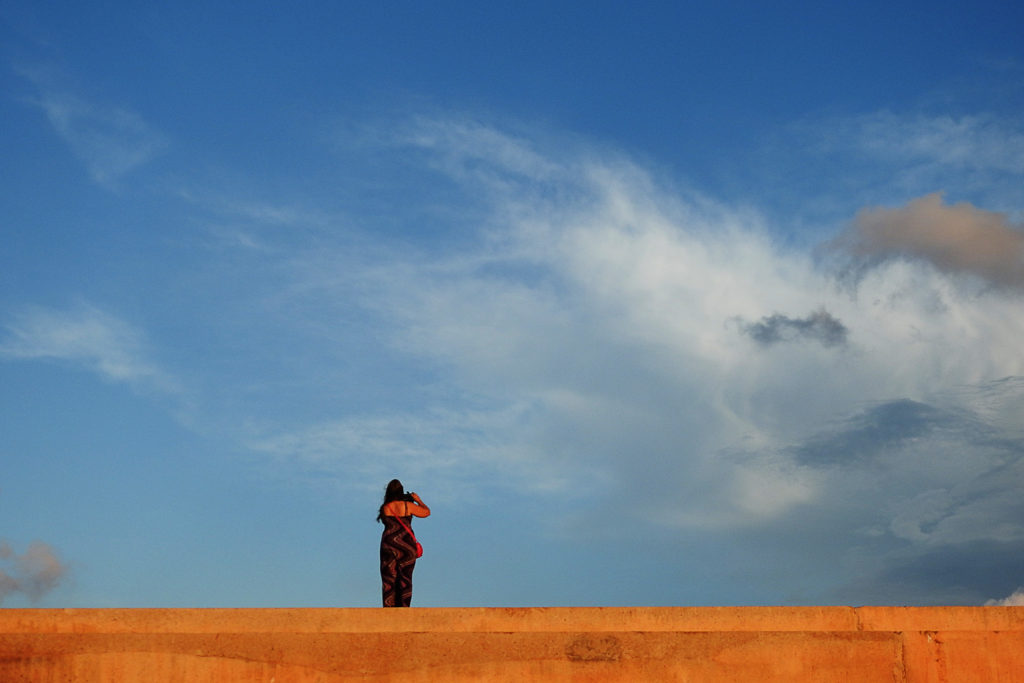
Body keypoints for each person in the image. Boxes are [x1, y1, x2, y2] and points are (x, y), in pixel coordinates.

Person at [377, 479, 430, 607]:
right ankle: (404, 609)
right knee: (405, 578)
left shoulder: (385, 508)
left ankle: (389, 609)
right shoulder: (408, 506)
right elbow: (426, 512)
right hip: (406, 545)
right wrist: (417, 499)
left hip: (388, 544)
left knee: (389, 580)